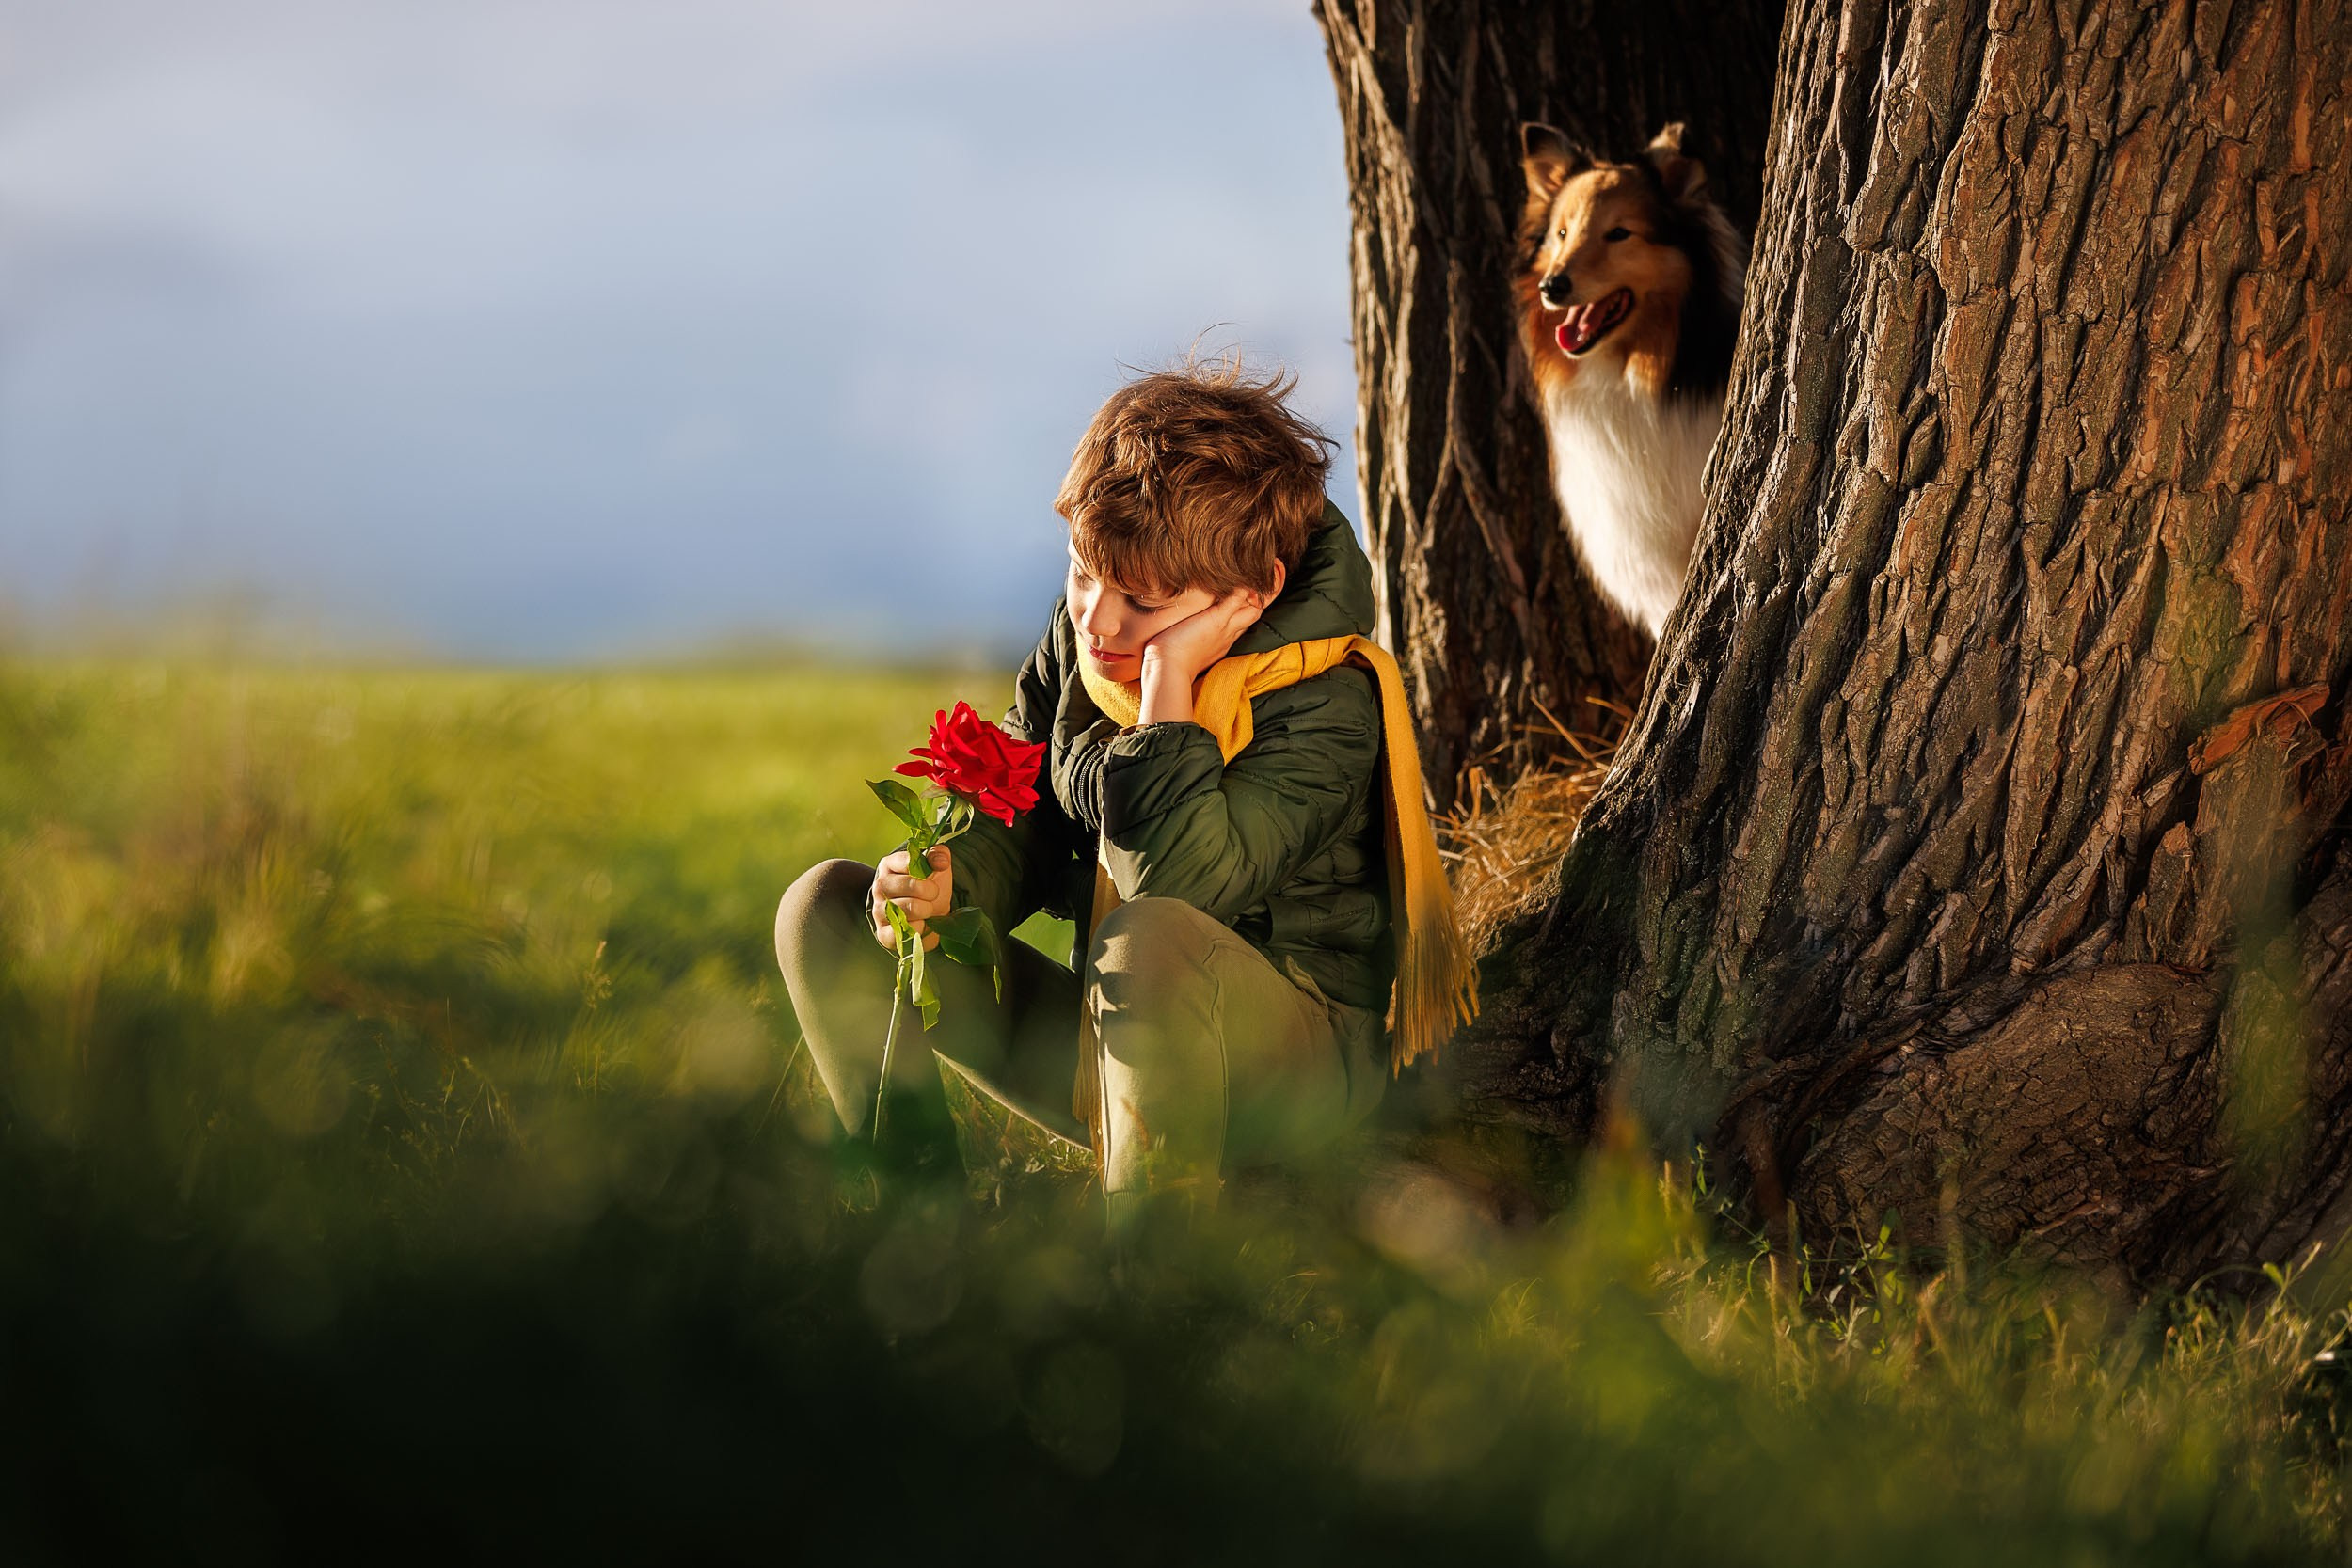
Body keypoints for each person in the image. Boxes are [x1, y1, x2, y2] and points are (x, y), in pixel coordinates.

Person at [773, 356, 1472, 1227]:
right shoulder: (1089, 647)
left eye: (1141, 599)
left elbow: (1176, 895)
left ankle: (1150, 1295)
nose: (1097, 618)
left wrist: (1166, 697)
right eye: (1080, 570)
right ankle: (918, 1237)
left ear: (1249, 598)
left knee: (1148, 937)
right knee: (825, 907)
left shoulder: (1323, 699)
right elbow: (1018, 809)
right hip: (1109, 1042)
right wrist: (954, 882)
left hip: (1282, 1058)